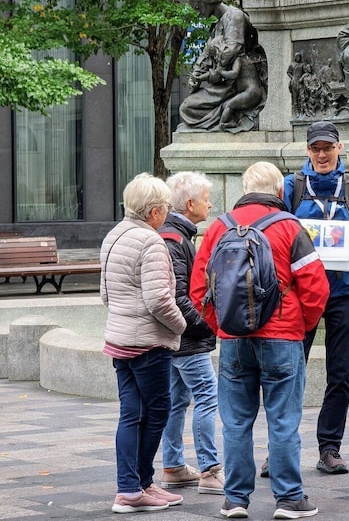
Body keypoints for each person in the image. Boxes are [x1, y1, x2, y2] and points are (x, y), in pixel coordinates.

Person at [190, 161, 329, 519]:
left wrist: (222, 324)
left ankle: (235, 499)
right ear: (279, 191)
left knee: (236, 422)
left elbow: (198, 291)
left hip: (234, 339)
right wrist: (300, 325)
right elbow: (316, 287)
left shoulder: (218, 227)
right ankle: (289, 498)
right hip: (282, 337)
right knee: (283, 420)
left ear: (244, 187)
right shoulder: (290, 227)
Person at [281, 121, 349, 476]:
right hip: (301, 295)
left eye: (327, 148)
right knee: (289, 371)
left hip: (343, 292)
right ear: (307, 151)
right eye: (315, 148)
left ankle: (329, 447)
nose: (321, 155)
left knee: (341, 372)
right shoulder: (291, 187)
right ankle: (282, 447)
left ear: (339, 148)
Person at [100, 173, 187, 514]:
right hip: (148, 344)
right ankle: (137, 484)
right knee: (156, 412)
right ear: (153, 212)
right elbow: (159, 301)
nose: (167, 211)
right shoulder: (151, 242)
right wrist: (180, 327)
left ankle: (133, 487)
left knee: (131, 414)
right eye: (165, 206)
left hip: (120, 340)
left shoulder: (113, 236)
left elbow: (106, 294)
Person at [158, 171, 224, 495]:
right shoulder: (175, 239)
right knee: (207, 397)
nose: (209, 205)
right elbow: (178, 297)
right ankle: (210, 470)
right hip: (187, 341)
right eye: (206, 199)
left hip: (178, 339)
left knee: (177, 401)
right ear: (189, 203)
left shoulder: (177, 234)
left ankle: (173, 466)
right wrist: (205, 325)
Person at [179, 0, 266, 132]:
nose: (198, 13)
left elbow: (232, 49)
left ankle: (226, 117)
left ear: (207, 1)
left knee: (188, 109)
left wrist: (211, 71)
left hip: (236, 82)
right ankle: (222, 116)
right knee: (186, 107)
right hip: (223, 84)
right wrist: (196, 74)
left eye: (198, 8)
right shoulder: (217, 24)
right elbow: (207, 53)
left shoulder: (234, 16)